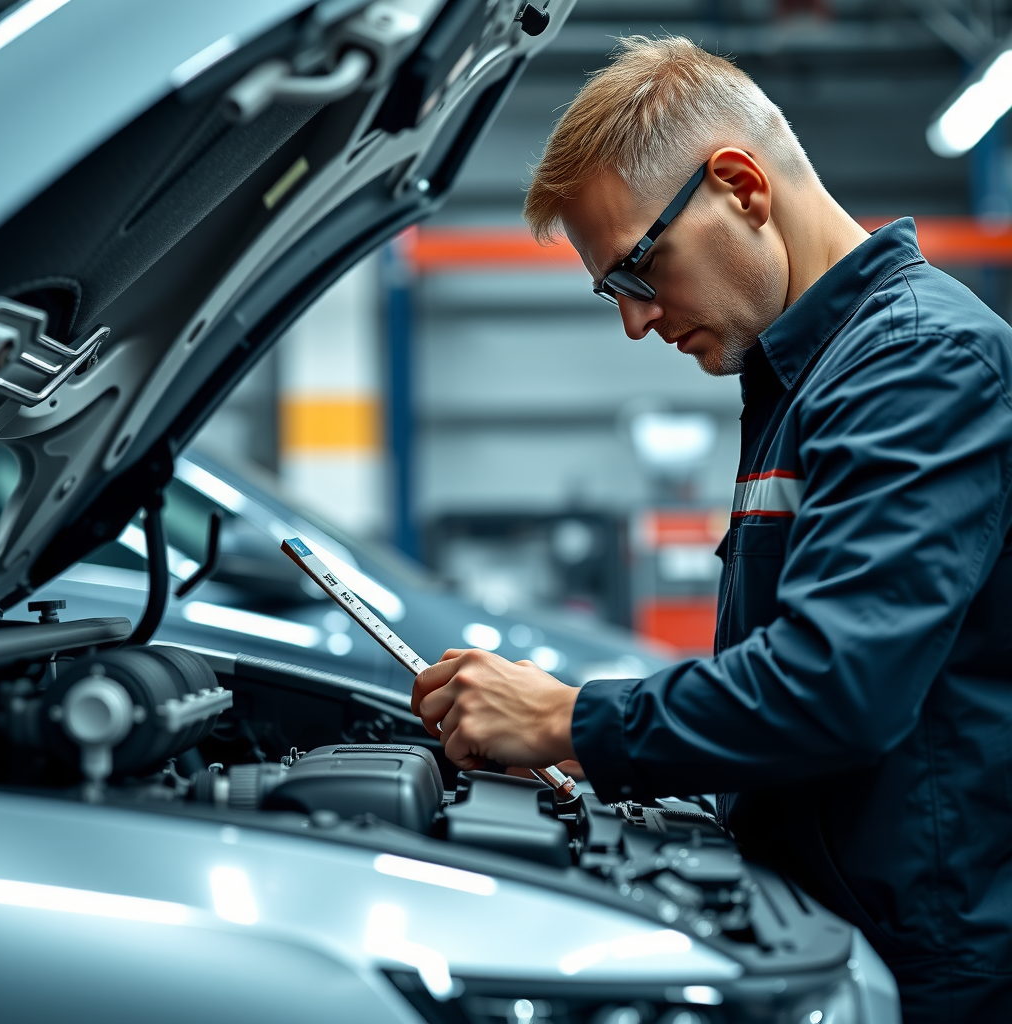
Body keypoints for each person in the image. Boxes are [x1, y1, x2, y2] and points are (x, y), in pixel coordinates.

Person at [411, 35, 1012, 1023]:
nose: (635, 324)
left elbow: (834, 684)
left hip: (927, 972)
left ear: (738, 185)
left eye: (639, 270)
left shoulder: (919, 367)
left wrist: (568, 718)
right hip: (834, 929)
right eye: (614, 293)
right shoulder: (804, 381)